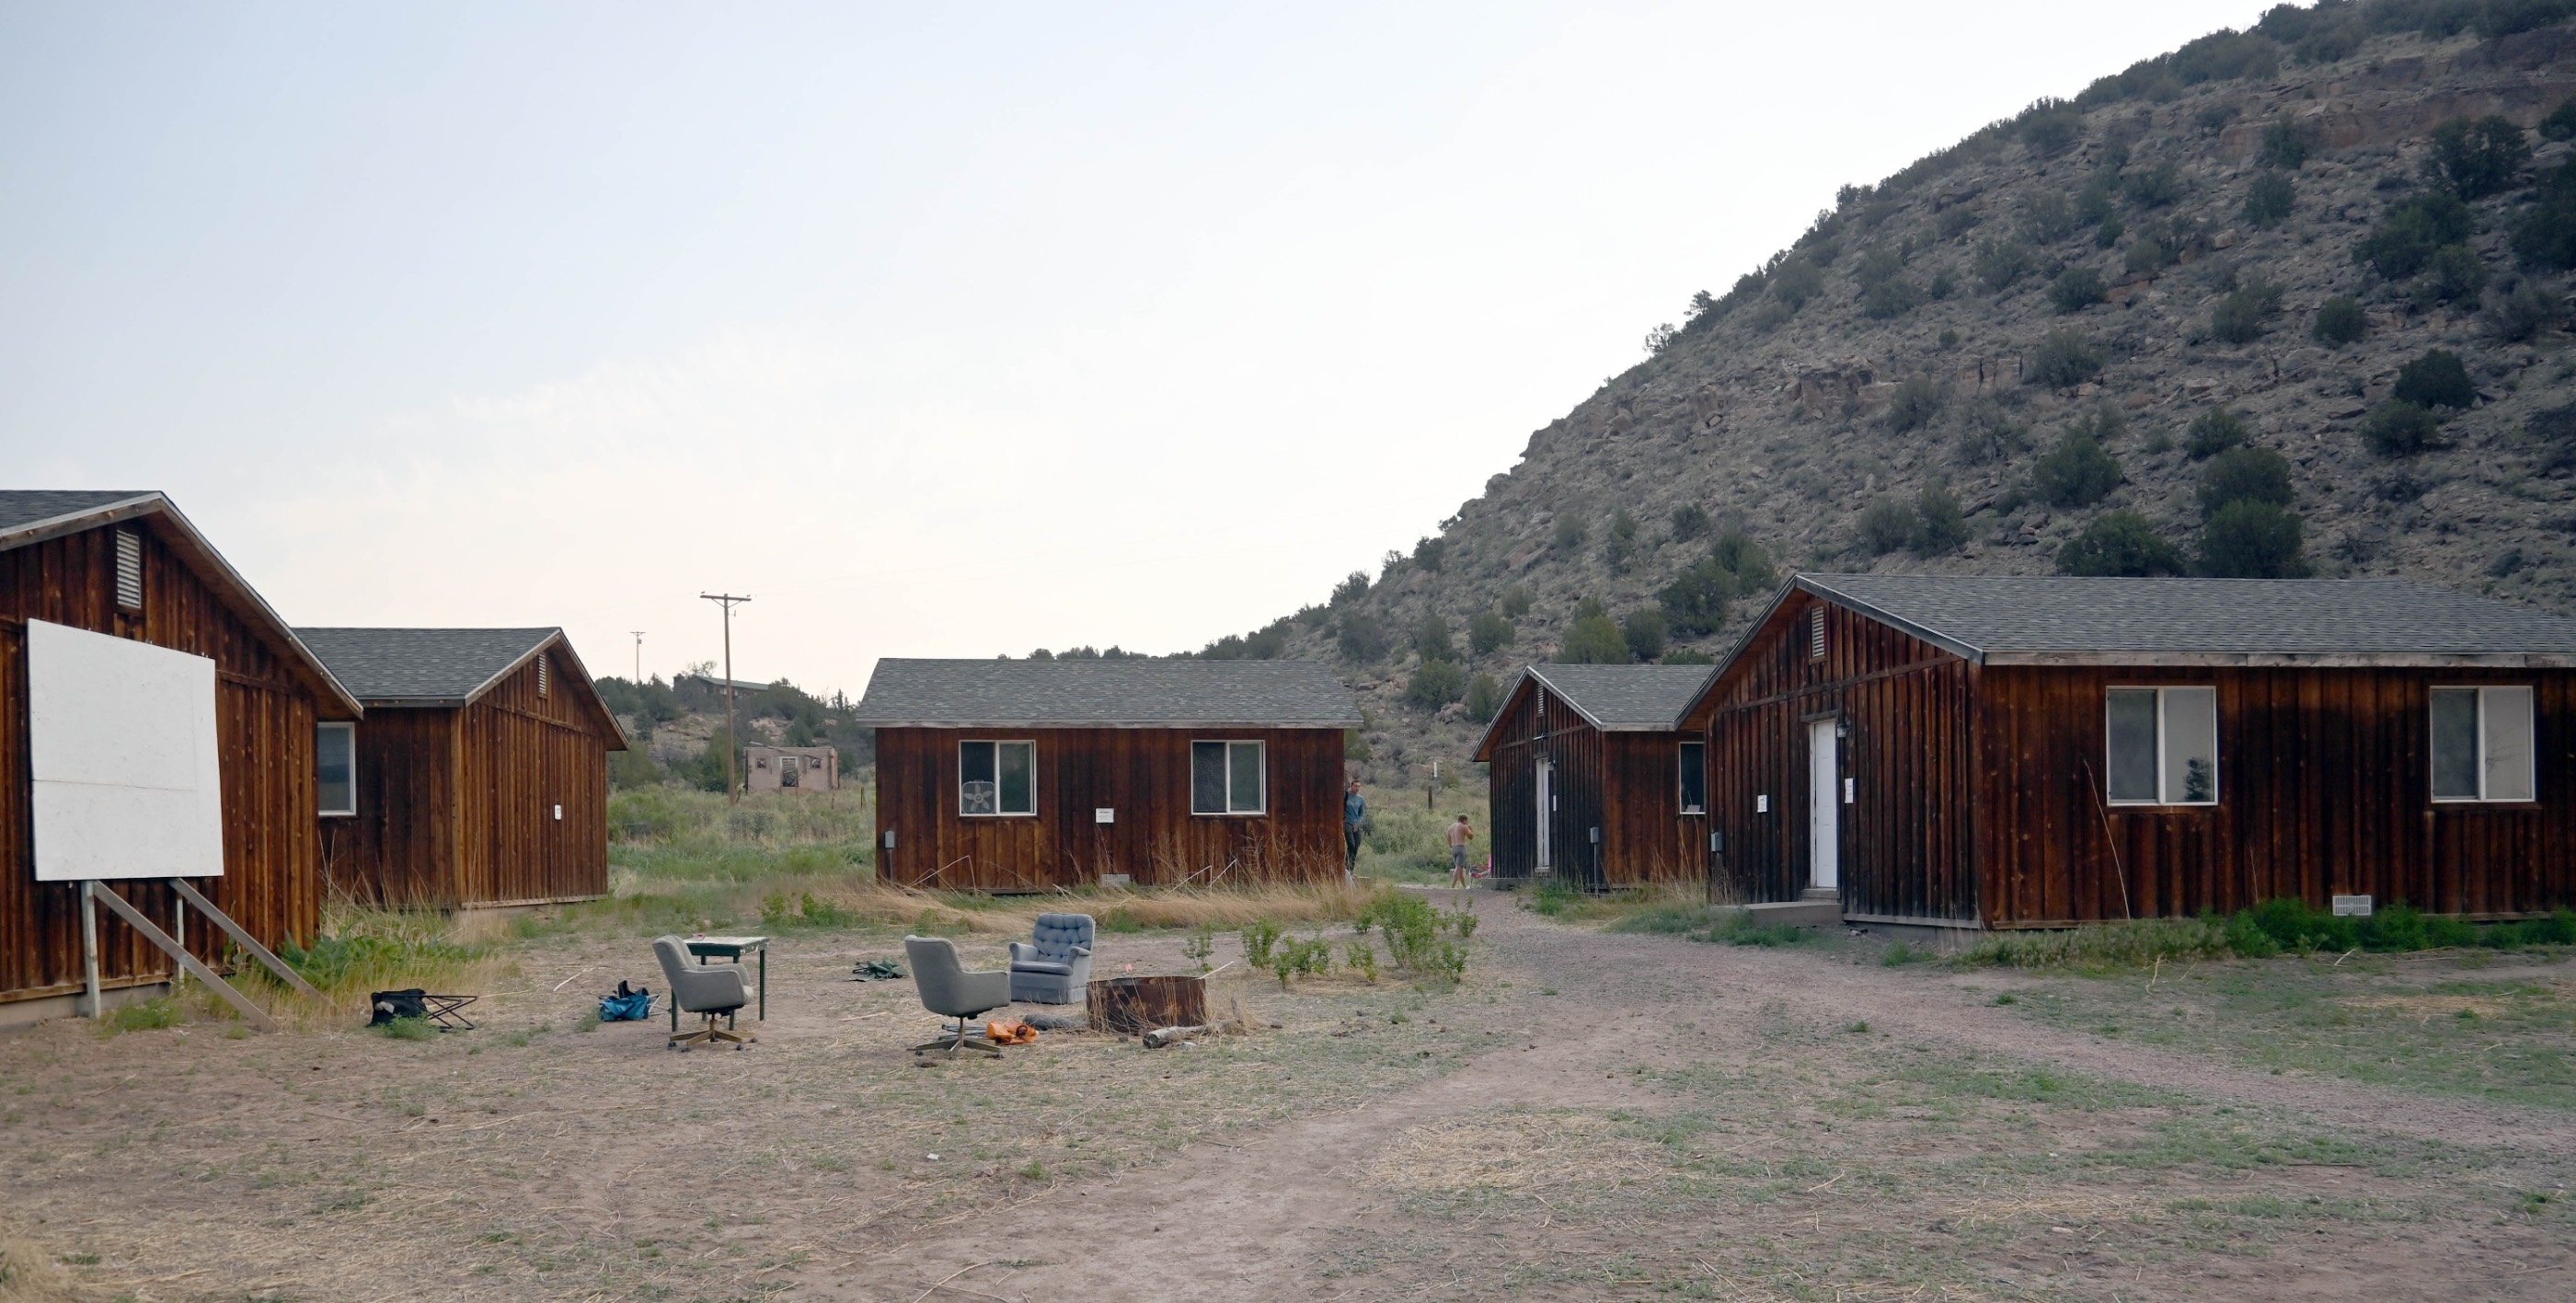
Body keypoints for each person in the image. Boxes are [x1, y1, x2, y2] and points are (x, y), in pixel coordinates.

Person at [1342, 778, 1367, 876]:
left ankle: (1351, 869)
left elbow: (1362, 813)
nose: (1357, 788)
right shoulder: (1346, 796)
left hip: (1356, 824)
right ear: (1351, 786)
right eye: (1355, 786)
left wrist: (1358, 824)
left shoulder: (1360, 798)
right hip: (1347, 822)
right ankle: (1345, 867)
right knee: (1351, 844)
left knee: (1356, 847)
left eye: (1359, 786)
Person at [1446, 814, 1475, 889]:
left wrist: (1451, 846)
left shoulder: (1451, 827)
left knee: (1460, 868)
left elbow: (1448, 838)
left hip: (1454, 848)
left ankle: (1464, 886)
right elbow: (1470, 836)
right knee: (1458, 868)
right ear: (1464, 820)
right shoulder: (1463, 826)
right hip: (1461, 847)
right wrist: (1471, 830)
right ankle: (1452, 886)